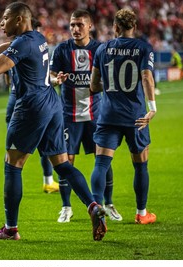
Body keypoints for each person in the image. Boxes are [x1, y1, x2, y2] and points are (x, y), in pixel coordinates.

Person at [0, 2, 106, 241]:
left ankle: (10, 229)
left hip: (31, 106)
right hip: (52, 104)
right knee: (62, 164)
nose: (1, 23)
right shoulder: (36, 37)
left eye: (6, 18)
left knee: (12, 164)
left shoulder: (23, 43)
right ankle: (93, 206)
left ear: (19, 20)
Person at [0, 19, 59, 194]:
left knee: (22, 154)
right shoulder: (25, 44)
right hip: (26, 101)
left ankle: (48, 181)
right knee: (31, 153)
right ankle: (48, 181)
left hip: (23, 99)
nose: (2, 23)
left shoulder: (23, 44)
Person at [50, 9, 122, 223]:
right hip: (69, 115)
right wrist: (57, 78)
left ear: (90, 26)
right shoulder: (62, 49)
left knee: (103, 160)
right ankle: (66, 206)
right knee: (66, 162)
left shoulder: (100, 49)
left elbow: (111, 78)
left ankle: (108, 204)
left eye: (80, 24)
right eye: (72, 25)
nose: (75, 29)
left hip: (96, 115)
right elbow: (51, 74)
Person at [90, 8, 157, 225]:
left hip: (108, 115)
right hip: (135, 117)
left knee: (101, 164)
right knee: (140, 165)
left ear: (115, 27)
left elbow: (93, 85)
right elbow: (146, 78)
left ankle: (97, 211)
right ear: (134, 27)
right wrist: (152, 107)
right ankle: (141, 213)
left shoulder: (102, 49)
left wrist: (110, 87)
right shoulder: (143, 48)